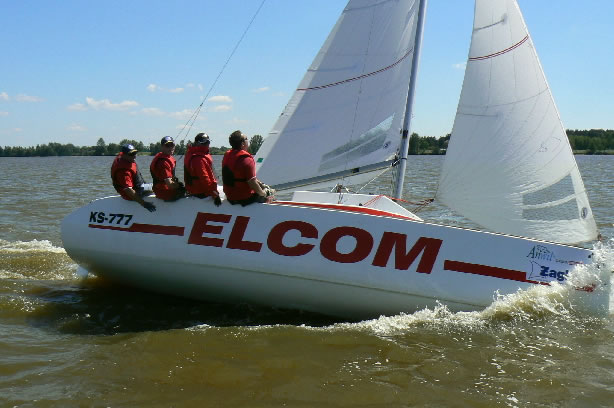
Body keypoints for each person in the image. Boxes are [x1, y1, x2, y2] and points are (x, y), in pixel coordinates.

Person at [222, 130, 273, 206]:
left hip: (230, 197)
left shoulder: (227, 156)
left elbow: (245, 177)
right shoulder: (247, 159)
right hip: (244, 198)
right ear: (243, 144)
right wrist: (263, 193)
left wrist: (262, 184)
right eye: (246, 139)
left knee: (264, 189)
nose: (248, 140)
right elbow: (252, 182)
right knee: (269, 193)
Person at [110, 144, 156, 212]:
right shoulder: (124, 172)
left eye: (135, 153)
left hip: (138, 186)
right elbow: (128, 190)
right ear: (124, 155)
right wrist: (144, 204)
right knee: (158, 187)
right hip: (132, 193)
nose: (134, 156)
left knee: (158, 185)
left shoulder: (124, 158)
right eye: (131, 154)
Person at [184, 132, 222, 206]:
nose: (207, 145)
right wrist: (215, 195)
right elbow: (205, 179)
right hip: (201, 192)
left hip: (199, 191)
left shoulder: (195, 154)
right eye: (204, 143)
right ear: (197, 143)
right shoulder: (198, 159)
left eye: (208, 142)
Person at [150, 136, 185, 201]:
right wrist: (181, 187)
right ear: (162, 147)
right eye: (167, 146)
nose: (170, 148)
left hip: (162, 190)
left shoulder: (166, 157)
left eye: (172, 145)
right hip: (164, 192)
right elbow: (169, 184)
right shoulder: (163, 163)